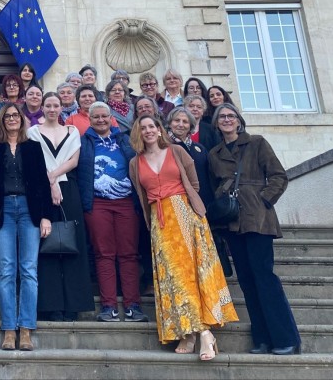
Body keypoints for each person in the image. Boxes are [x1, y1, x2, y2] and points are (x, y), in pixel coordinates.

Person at [129, 114, 238, 360]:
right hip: (160, 222)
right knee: (173, 278)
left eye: (152, 126)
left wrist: (183, 206)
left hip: (184, 213)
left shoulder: (176, 150)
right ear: (138, 133)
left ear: (159, 129)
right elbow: (141, 195)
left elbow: (194, 184)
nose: (148, 131)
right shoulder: (135, 163)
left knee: (194, 272)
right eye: (143, 128)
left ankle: (204, 333)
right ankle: (186, 332)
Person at [209, 103, 301, 356]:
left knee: (264, 277)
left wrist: (264, 200)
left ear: (239, 121)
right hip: (232, 221)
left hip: (258, 218)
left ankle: (286, 339)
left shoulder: (257, 143)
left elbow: (278, 176)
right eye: (221, 117)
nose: (226, 120)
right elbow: (215, 184)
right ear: (216, 123)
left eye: (231, 116)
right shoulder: (215, 153)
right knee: (247, 281)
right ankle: (262, 338)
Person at [0, 102, 52, 351]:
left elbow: (42, 183)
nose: (12, 119)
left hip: (29, 210)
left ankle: (26, 329)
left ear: (21, 120)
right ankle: (9, 329)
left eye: (15, 115)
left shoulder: (32, 147)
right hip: (3, 211)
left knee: (29, 269)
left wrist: (46, 216)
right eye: (7, 116)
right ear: (2, 120)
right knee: (7, 270)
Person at [76, 102, 145, 323]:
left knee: (128, 254)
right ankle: (109, 306)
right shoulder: (82, 141)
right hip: (97, 203)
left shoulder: (125, 139)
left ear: (111, 118)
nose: (101, 120)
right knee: (104, 253)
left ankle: (133, 305)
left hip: (126, 202)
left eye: (104, 116)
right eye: (96, 117)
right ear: (89, 119)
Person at [28, 93, 94, 321]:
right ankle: (51, 305)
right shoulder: (32, 132)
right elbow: (34, 162)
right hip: (41, 190)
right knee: (46, 243)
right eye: (48, 105)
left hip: (69, 188)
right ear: (42, 107)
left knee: (72, 241)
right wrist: (51, 184)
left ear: (60, 108)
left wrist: (54, 178)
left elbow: (73, 161)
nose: (52, 109)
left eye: (56, 105)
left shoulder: (72, 131)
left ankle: (73, 305)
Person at [167, 106, 231, 276]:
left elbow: (208, 179)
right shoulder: (163, 148)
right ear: (170, 123)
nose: (180, 124)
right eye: (177, 120)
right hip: (176, 206)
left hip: (201, 207)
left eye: (185, 121)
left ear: (190, 125)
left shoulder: (200, 149)